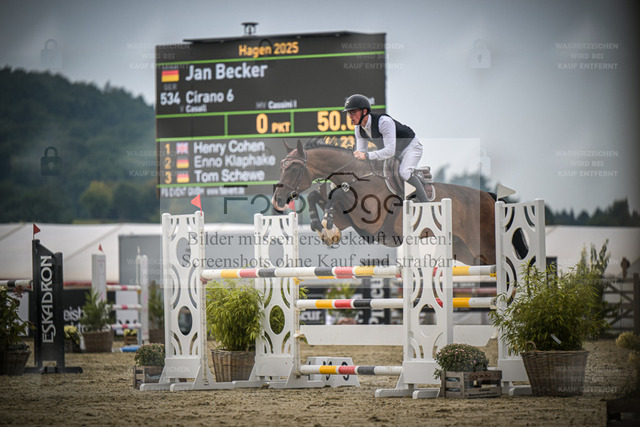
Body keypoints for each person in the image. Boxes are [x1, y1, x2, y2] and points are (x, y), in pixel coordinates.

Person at [343, 94, 429, 202]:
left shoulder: (383, 122)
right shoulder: (358, 129)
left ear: (364, 111)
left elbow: (389, 151)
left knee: (404, 173)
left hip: (410, 147)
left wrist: (366, 155)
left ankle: (426, 203)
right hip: (395, 152)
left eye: (353, 112)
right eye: (348, 113)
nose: (350, 116)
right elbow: (361, 153)